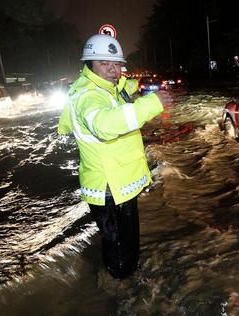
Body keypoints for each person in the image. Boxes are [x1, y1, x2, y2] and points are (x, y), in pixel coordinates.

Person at [57, 34, 172, 279]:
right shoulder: (88, 95)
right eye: (105, 64)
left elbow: (123, 87)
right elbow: (105, 124)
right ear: (89, 64)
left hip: (120, 183)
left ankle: (126, 273)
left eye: (117, 64)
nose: (113, 70)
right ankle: (120, 286)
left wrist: (137, 84)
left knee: (128, 238)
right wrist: (151, 103)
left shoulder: (108, 87)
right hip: (109, 188)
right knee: (119, 246)